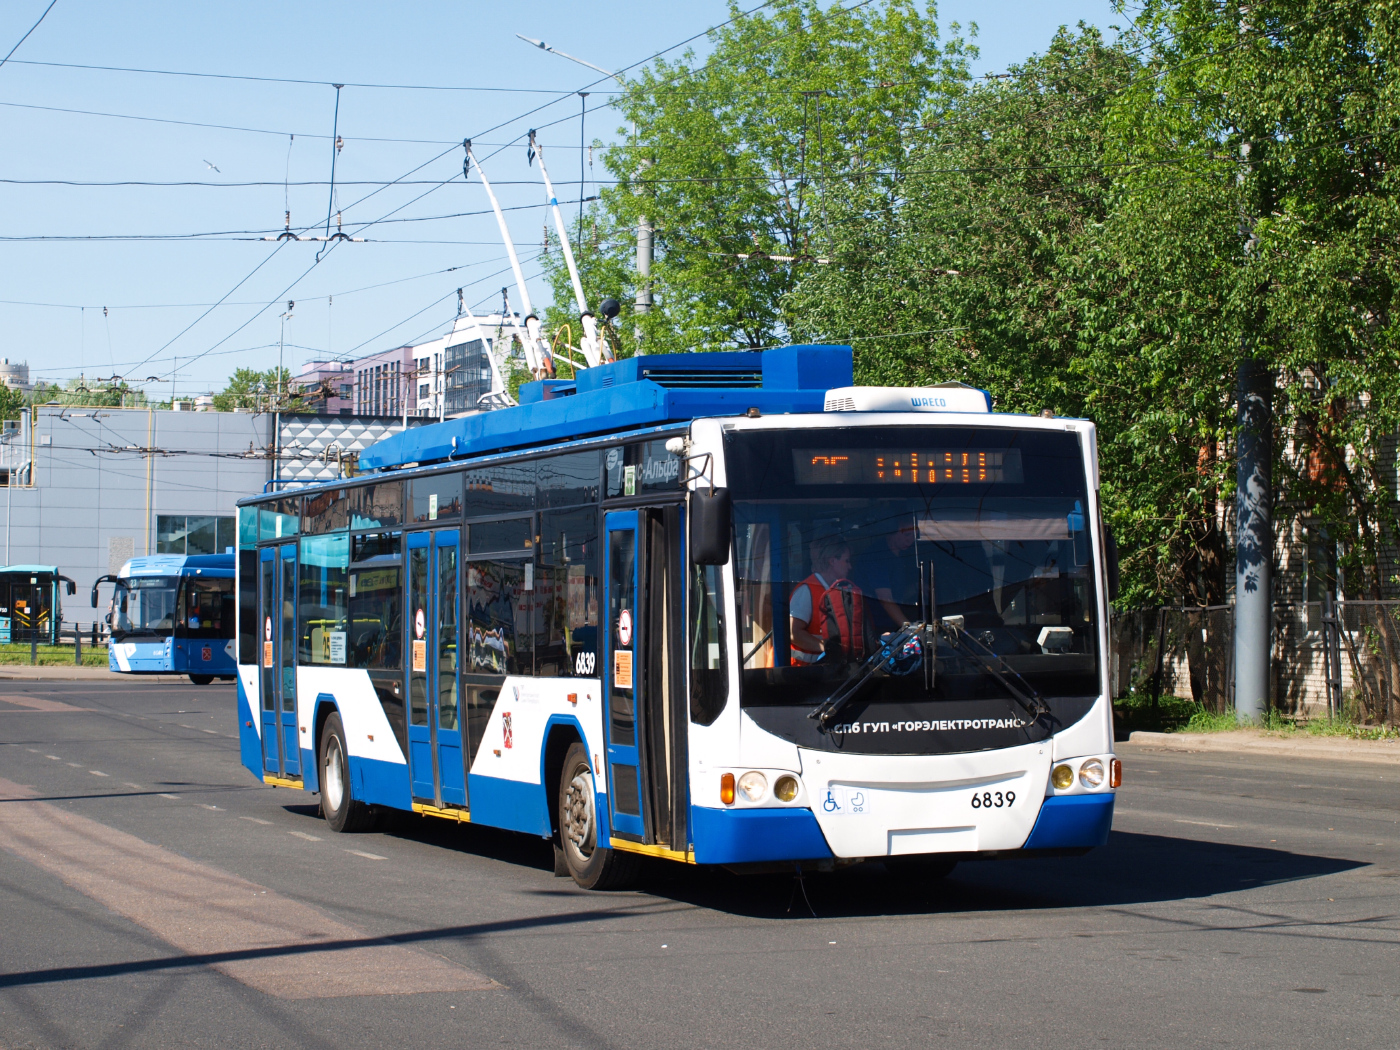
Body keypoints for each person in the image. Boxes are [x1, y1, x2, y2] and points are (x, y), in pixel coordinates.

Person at [789, 535, 871, 665]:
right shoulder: (807, 590)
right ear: (832, 561)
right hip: (805, 674)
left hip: (829, 670)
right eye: (847, 561)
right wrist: (826, 648)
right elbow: (793, 633)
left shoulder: (838, 590)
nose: (850, 567)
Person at [866, 522, 921, 633]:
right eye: (907, 535)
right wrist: (911, 632)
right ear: (892, 530)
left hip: (894, 627)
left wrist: (917, 588)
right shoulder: (877, 557)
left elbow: (896, 596)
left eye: (914, 536)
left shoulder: (904, 556)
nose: (910, 540)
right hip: (879, 630)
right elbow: (886, 599)